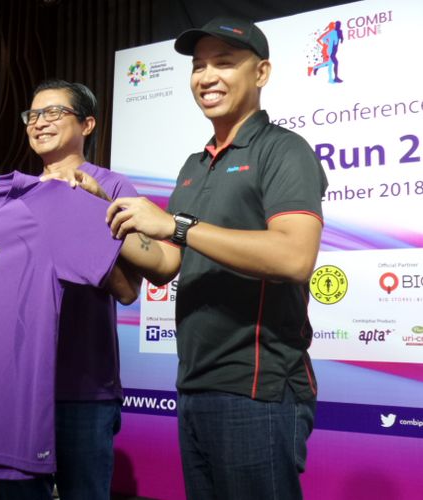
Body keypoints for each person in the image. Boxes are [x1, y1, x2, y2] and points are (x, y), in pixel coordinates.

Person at [107, 16, 327, 500]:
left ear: (261, 73)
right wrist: (90, 218)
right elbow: (167, 262)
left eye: (224, 63)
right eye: (198, 66)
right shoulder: (195, 164)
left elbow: (294, 256)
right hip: (194, 381)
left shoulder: (283, 150)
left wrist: (178, 226)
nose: (206, 76)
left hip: (259, 387)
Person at [0, 80, 140, 499]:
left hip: (86, 388)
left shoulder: (112, 187)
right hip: (19, 387)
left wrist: (83, 223)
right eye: (33, 115)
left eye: (53, 113)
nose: (39, 123)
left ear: (87, 124)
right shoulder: (10, 194)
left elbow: (129, 290)